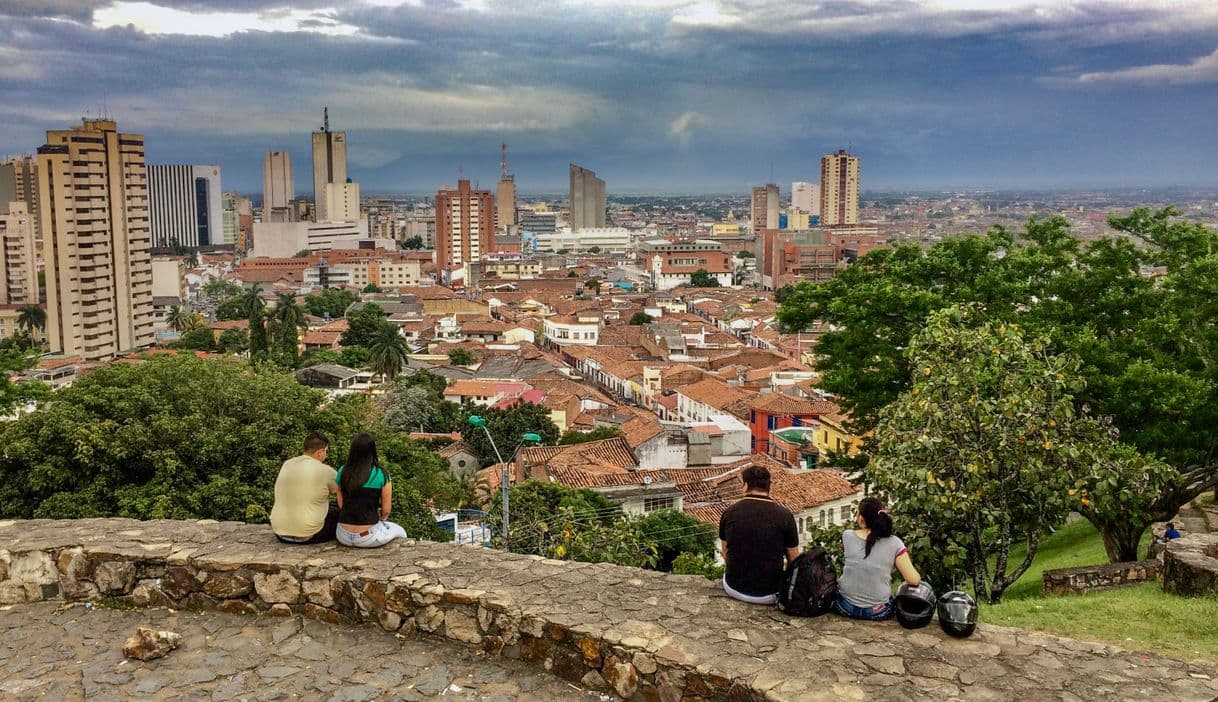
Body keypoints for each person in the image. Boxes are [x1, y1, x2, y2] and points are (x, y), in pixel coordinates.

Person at [718, 464, 799, 605]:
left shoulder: (730, 513)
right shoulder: (785, 516)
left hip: (734, 588)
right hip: (770, 594)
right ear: (769, 487)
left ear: (745, 486)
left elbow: (726, 553)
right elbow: (793, 559)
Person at [834, 497, 921, 620]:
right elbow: (914, 580)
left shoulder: (847, 536)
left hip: (845, 606)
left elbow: (861, 563)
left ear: (861, 519)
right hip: (876, 611)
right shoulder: (895, 543)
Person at [335, 433, 408, 548]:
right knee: (400, 531)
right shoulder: (381, 474)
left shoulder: (343, 471)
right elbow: (386, 510)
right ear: (372, 451)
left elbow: (340, 504)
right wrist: (381, 519)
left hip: (342, 534)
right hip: (367, 537)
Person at [270, 432, 339, 544]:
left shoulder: (287, 464)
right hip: (311, 535)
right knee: (338, 511)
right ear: (320, 452)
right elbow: (341, 492)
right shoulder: (326, 471)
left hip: (280, 533)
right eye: (326, 451)